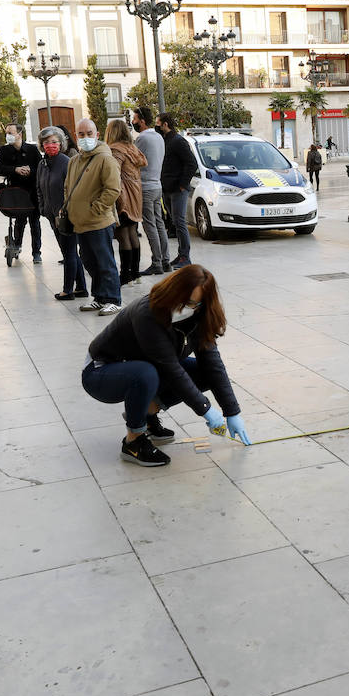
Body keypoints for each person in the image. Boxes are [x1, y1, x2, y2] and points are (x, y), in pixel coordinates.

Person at [82, 264, 251, 467]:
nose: (184, 307)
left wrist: (232, 412)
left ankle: (147, 415)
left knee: (204, 373)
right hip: (101, 372)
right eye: (182, 300)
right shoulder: (147, 313)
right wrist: (206, 410)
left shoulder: (198, 316)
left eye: (192, 304)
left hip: (147, 366)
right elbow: (171, 369)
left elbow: (213, 364)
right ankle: (133, 440)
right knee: (145, 374)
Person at [66, 118, 122, 315]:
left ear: (97, 135)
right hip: (80, 222)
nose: (85, 138)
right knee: (89, 261)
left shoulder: (106, 159)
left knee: (105, 262)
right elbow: (68, 188)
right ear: (76, 136)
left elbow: (113, 189)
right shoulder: (74, 161)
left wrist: (95, 209)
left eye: (89, 133)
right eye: (81, 134)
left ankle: (113, 298)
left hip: (99, 221)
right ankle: (99, 297)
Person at [36, 127, 87, 301]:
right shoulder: (42, 164)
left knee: (69, 252)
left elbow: (72, 189)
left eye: (54, 142)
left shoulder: (66, 162)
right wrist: (43, 208)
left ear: (61, 143)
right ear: (42, 145)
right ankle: (81, 287)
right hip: (52, 216)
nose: (50, 145)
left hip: (66, 216)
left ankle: (68, 290)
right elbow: (39, 188)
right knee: (69, 251)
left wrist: (65, 209)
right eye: (46, 142)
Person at [106, 119, 146, 287]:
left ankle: (125, 275)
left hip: (123, 196)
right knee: (132, 233)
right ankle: (136, 274)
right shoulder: (133, 148)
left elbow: (113, 176)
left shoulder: (115, 150)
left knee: (123, 236)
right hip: (136, 196)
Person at [0, 123, 43, 262]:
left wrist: (30, 171)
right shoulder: (4, 150)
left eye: (10, 132)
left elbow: (40, 168)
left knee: (35, 222)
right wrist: (15, 169)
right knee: (19, 221)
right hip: (15, 191)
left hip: (32, 191)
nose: (8, 135)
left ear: (19, 134)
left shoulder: (32, 150)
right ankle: (17, 246)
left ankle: (36, 252)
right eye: (7, 132)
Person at [132, 106, 170, 273]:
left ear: (142, 121)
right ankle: (166, 260)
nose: (133, 122)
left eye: (134, 119)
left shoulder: (142, 139)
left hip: (146, 187)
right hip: (157, 186)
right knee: (159, 223)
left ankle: (156, 263)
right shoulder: (159, 137)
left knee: (150, 226)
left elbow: (133, 161)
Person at [158, 113, 195, 268]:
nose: (157, 127)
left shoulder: (178, 141)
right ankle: (181, 255)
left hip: (177, 189)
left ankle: (185, 256)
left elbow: (191, 163)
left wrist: (182, 184)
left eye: (158, 124)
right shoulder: (165, 141)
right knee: (175, 221)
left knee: (179, 222)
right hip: (167, 189)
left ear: (165, 124)